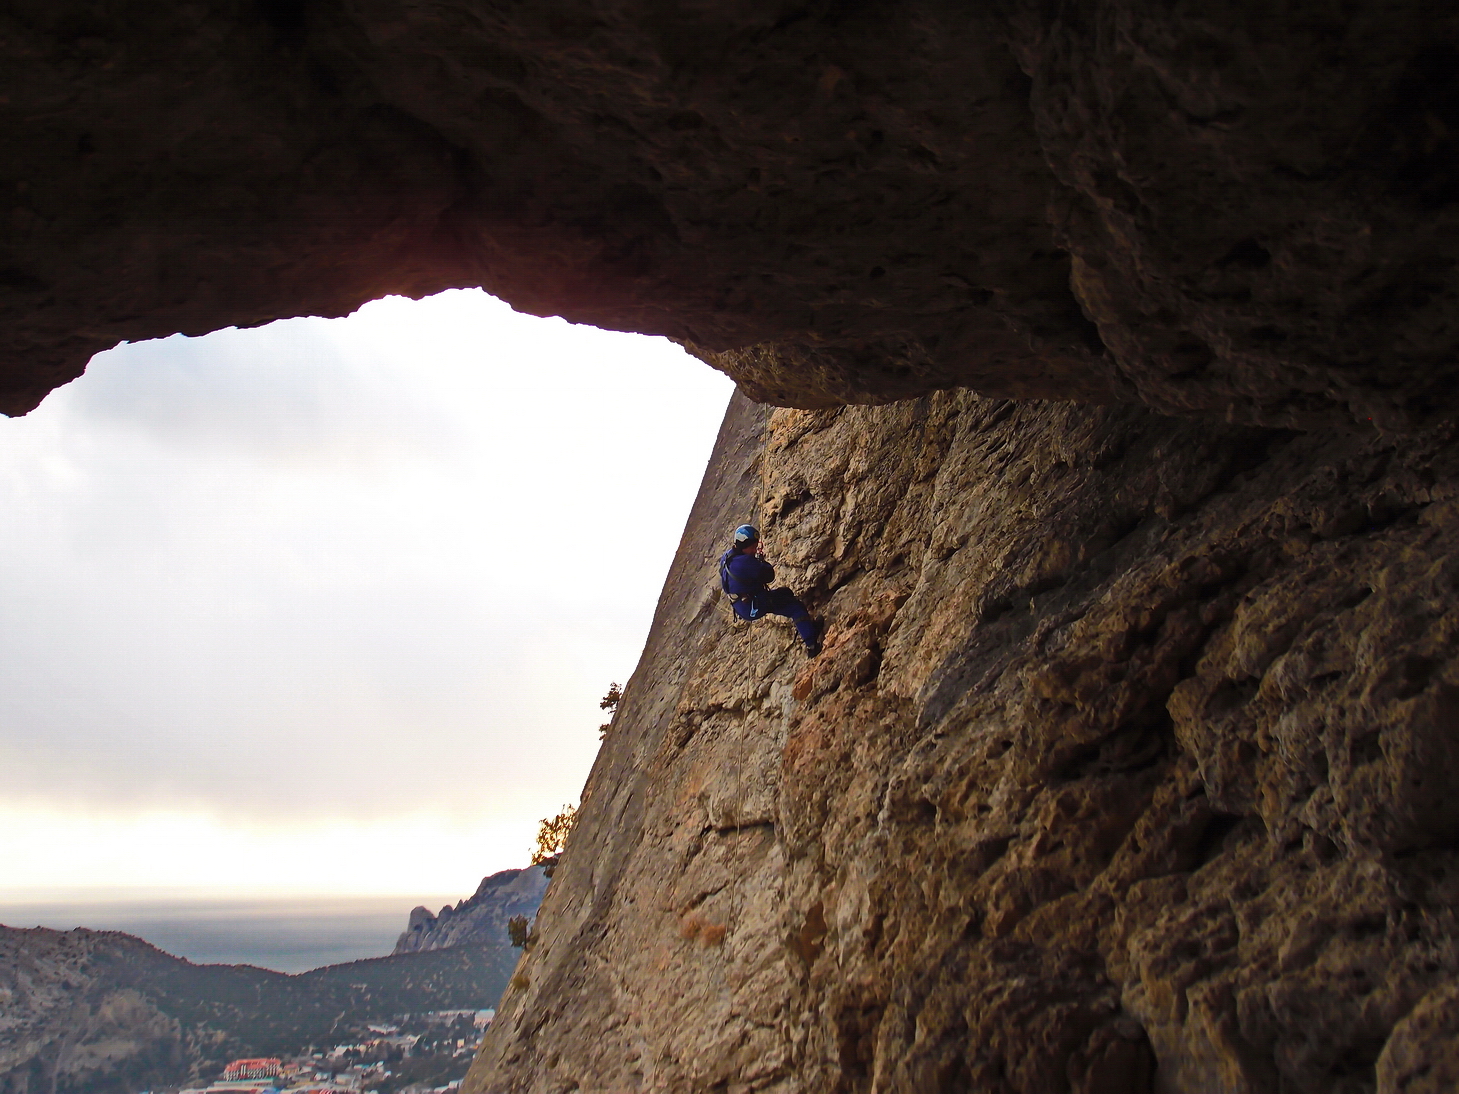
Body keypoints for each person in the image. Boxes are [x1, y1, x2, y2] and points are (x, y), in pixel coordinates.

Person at [718, 524, 823, 656]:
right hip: (753, 605)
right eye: (753, 547)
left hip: (742, 603)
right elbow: (769, 575)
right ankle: (812, 647)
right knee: (795, 607)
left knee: (785, 593)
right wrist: (760, 561)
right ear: (744, 545)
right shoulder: (745, 562)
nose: (755, 550)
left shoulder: (727, 557)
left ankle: (808, 629)